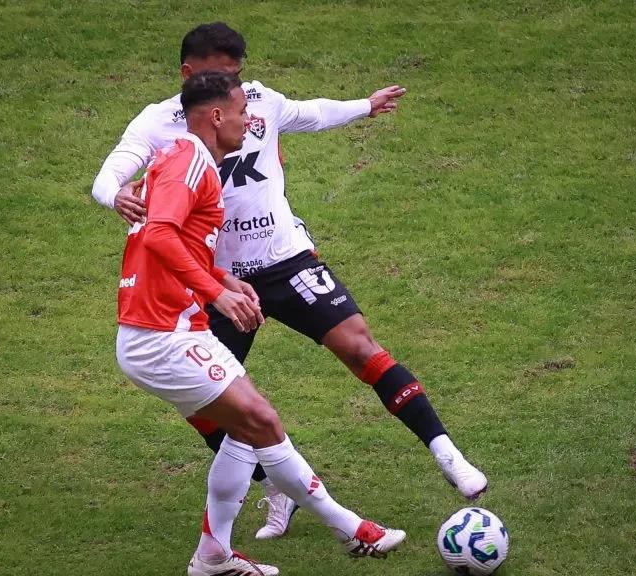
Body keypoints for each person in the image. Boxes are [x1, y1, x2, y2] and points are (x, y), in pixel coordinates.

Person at [94, 22, 488, 541]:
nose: (239, 92)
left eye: (238, 76)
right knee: (217, 407)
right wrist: (112, 194)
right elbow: (113, 172)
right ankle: (275, 492)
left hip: (284, 259)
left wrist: (364, 106)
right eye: (222, 77)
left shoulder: (255, 101)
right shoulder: (163, 127)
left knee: (359, 346)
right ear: (190, 75)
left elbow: (310, 112)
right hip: (220, 280)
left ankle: (447, 453)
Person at [115, 69, 405, 576]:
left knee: (242, 433)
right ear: (216, 116)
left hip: (166, 328)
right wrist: (215, 295)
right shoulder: (189, 161)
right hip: (161, 334)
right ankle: (355, 531)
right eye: (242, 111)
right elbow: (159, 236)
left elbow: (171, 239)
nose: (251, 120)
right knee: (263, 423)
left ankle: (213, 556)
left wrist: (222, 278)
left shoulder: (184, 157)